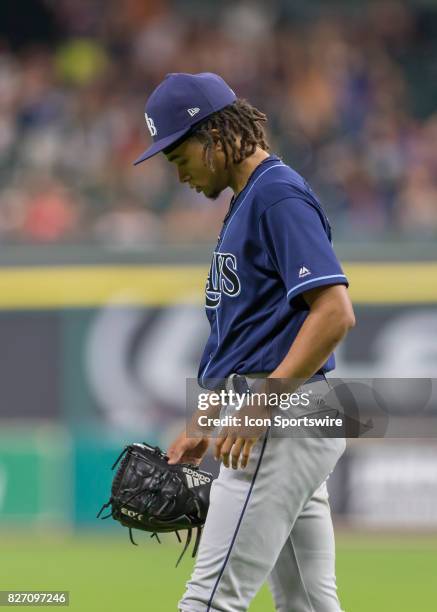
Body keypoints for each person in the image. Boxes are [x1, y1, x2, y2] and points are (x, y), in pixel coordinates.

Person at [134, 72, 355, 612]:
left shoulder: (276, 194)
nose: (177, 173)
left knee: (209, 600)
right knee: (307, 603)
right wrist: (203, 420)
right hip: (288, 415)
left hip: (283, 416)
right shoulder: (248, 200)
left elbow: (334, 313)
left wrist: (260, 405)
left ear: (212, 137)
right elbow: (244, 337)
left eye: (177, 156)